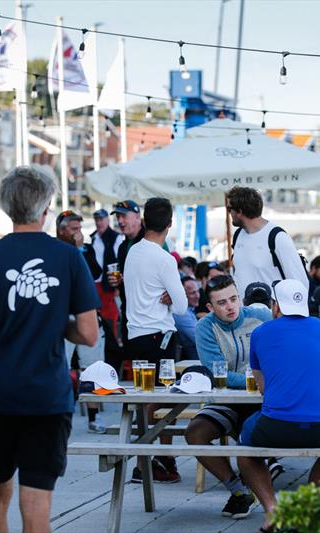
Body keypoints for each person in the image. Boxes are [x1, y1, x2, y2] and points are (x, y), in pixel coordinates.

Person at [0, 166, 100, 533]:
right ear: (46, 208)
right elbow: (89, 335)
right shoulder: (70, 258)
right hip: (47, 397)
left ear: (7, 208)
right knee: (37, 504)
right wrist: (57, 324)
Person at [238, 279, 320, 533]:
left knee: (245, 450)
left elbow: (263, 388)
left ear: (276, 306)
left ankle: (272, 510)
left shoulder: (261, 333)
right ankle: (306, 507)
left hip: (275, 426)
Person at [185, 274, 272, 519]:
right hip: (227, 400)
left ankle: (257, 486)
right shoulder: (205, 326)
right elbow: (216, 371)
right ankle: (238, 490)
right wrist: (254, 379)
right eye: (222, 303)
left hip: (262, 401)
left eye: (234, 299)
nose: (230, 306)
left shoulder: (262, 317)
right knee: (194, 433)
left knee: (251, 434)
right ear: (210, 308)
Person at [122, 197, 187, 484]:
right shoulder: (164, 259)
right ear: (170, 224)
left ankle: (157, 461)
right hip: (160, 337)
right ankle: (150, 460)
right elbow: (184, 306)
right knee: (160, 402)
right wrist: (172, 297)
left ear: (145, 221)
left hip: (135, 334)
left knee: (146, 400)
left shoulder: (132, 252)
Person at [56, 210, 108, 434]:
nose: (79, 233)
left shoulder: (85, 250)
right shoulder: (55, 250)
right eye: (74, 229)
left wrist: (81, 250)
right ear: (62, 230)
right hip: (63, 315)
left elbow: (96, 273)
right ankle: (61, 414)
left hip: (86, 313)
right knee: (61, 366)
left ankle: (94, 417)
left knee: (93, 366)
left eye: (80, 228)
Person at [226, 186, 309, 297]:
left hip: (272, 312)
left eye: (229, 209)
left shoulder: (277, 237)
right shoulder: (238, 235)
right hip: (243, 313)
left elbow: (300, 283)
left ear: (240, 211)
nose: (229, 213)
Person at [105, 200, 143, 343]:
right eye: (118, 217)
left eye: (124, 216)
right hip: (128, 311)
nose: (120, 221)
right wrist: (119, 280)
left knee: (147, 363)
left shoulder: (150, 241)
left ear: (138, 217)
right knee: (132, 360)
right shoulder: (123, 246)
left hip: (147, 315)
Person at [90, 209, 124, 340]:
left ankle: (112, 343)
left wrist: (117, 285)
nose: (99, 222)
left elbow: (119, 260)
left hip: (108, 284)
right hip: (94, 283)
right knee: (97, 316)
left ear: (107, 220)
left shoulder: (116, 237)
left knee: (110, 315)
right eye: (97, 220)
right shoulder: (93, 237)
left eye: (101, 219)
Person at [173, 275, 200, 359]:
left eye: (198, 291)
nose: (197, 296)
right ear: (182, 295)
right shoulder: (181, 313)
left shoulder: (189, 310)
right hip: (193, 364)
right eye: (193, 293)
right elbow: (201, 338)